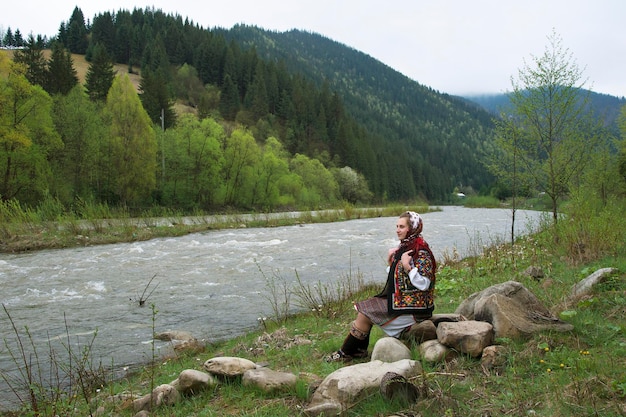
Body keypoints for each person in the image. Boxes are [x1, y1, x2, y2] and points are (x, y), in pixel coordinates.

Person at [325, 211, 437, 362]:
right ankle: (357, 351)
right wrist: (392, 263)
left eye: (402, 226)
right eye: (397, 226)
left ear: (413, 228)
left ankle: (347, 353)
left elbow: (424, 284)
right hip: (405, 302)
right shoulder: (405, 248)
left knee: (365, 313)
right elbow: (398, 278)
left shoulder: (421, 252)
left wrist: (407, 266)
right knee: (366, 307)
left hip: (416, 309)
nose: (397, 230)